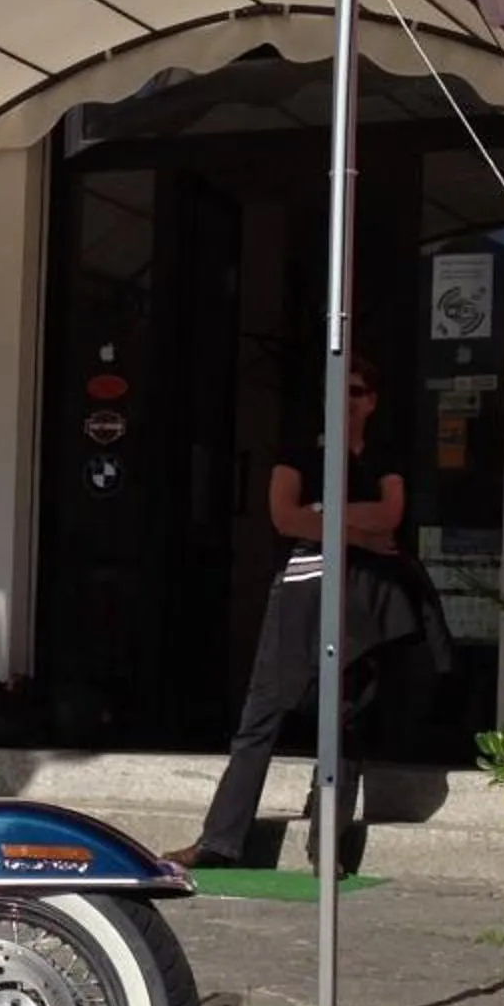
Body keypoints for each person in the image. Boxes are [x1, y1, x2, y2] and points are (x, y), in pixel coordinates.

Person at [169, 356, 406, 875]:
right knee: (262, 714)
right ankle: (219, 840)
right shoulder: (299, 449)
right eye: (337, 390)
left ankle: (328, 848)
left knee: (343, 719)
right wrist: (356, 530)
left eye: (358, 390)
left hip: (363, 596)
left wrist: (322, 517)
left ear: (372, 400)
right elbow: (282, 515)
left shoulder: (385, 455)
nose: (347, 399)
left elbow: (391, 515)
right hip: (300, 591)